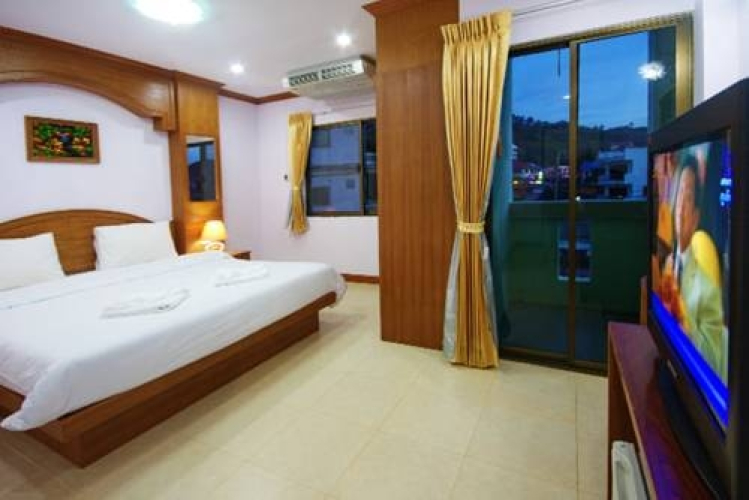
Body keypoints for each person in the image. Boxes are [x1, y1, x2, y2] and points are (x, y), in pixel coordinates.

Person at [664, 157, 727, 381]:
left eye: (688, 198)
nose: (681, 206)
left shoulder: (707, 287)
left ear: (696, 217)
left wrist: (680, 315)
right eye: (679, 195)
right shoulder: (669, 264)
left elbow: (713, 361)